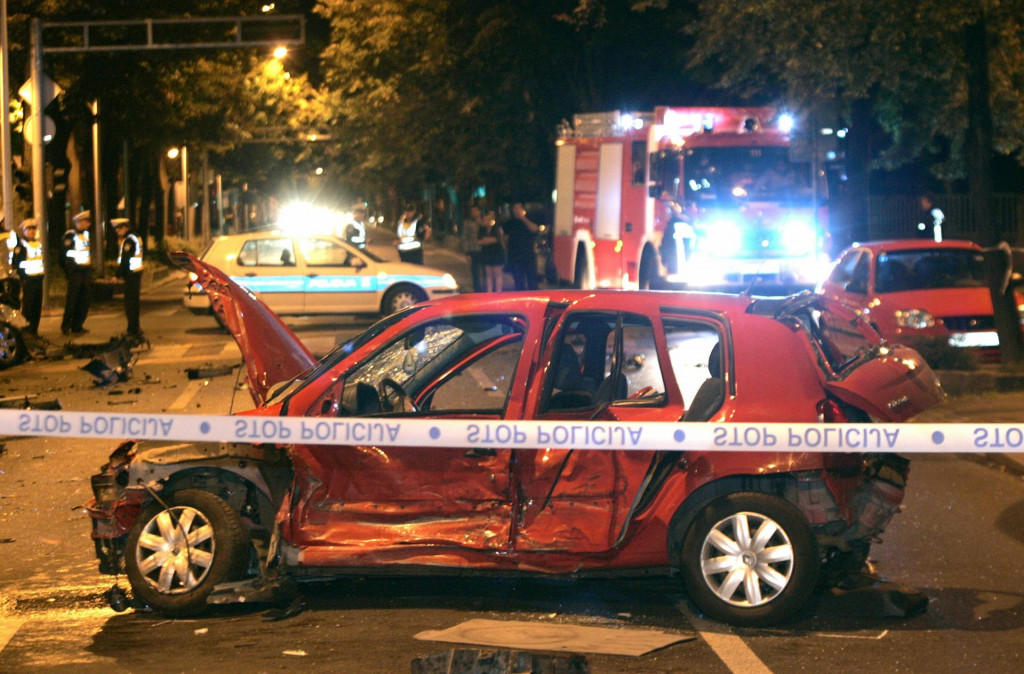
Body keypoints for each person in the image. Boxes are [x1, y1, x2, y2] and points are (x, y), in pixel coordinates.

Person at [61, 210, 93, 336]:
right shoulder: (70, 235)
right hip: (75, 273)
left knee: (84, 300)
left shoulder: (85, 235)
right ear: (78, 222)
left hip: (85, 272)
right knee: (72, 300)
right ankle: (66, 326)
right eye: (86, 221)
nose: (88, 224)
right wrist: (69, 271)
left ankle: (77, 325)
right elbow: (64, 256)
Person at [10, 218, 44, 336]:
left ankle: (34, 331)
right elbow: (17, 264)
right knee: (28, 309)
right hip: (28, 281)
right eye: (29, 229)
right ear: (24, 231)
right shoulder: (20, 247)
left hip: (38, 280)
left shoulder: (38, 244)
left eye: (33, 229)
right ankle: (25, 333)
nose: (32, 232)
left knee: (37, 308)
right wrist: (23, 279)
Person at [114, 218, 145, 339]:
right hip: (137, 272)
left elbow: (125, 260)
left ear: (126, 227)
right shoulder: (136, 237)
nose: (118, 231)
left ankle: (132, 329)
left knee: (130, 304)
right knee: (134, 303)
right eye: (116, 229)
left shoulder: (129, 240)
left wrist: (117, 275)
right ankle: (135, 328)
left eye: (120, 228)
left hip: (131, 275)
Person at [499, 202, 540, 290]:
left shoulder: (529, 219)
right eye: (515, 208)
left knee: (532, 281)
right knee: (519, 282)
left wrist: (523, 218)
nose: (517, 210)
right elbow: (505, 238)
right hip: (515, 256)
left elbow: (535, 229)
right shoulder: (509, 223)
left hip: (528, 255)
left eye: (519, 208)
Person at [479, 209, 505, 292]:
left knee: (497, 273)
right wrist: (488, 240)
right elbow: (479, 241)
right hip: (487, 253)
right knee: (488, 275)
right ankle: (489, 291)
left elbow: (496, 239)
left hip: (497, 253)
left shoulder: (497, 228)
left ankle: (498, 291)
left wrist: (486, 240)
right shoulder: (482, 229)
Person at [462, 205, 486, 292]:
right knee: (475, 272)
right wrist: (467, 253)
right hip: (474, 250)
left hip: (485, 249)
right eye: (473, 211)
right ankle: (478, 290)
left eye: (476, 210)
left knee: (486, 271)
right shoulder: (468, 223)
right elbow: (465, 238)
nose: (475, 213)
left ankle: (486, 289)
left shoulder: (484, 220)